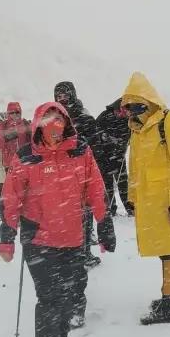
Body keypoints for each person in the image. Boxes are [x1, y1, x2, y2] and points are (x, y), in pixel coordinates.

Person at [0, 102, 115, 337]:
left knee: (66, 297)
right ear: (39, 127)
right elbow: (11, 198)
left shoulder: (80, 151)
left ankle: (59, 336)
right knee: (49, 298)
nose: (55, 135)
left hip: (73, 239)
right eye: (49, 128)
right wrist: (7, 236)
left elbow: (95, 188)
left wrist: (104, 222)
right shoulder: (27, 157)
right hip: (39, 240)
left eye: (59, 128)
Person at [121, 72, 170, 325]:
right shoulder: (137, 129)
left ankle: (169, 306)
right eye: (128, 105)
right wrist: (131, 197)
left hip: (169, 199)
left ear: (149, 100)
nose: (132, 110)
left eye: (136, 103)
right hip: (151, 201)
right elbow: (134, 166)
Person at [54, 82, 101, 269]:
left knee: (85, 214)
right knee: (61, 216)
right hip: (58, 175)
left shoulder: (84, 117)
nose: (61, 98)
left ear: (72, 95)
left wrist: (78, 148)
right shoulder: (52, 117)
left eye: (65, 95)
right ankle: (64, 253)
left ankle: (85, 252)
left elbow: (94, 144)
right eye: (58, 95)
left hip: (81, 175)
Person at [95, 98, 134, 216]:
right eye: (119, 111)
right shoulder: (104, 116)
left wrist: (124, 142)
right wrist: (103, 137)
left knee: (123, 183)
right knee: (107, 183)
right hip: (104, 156)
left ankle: (130, 207)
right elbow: (96, 132)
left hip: (118, 155)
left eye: (124, 112)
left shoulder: (128, 120)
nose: (121, 114)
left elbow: (132, 133)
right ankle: (110, 208)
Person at [0, 102, 31, 171]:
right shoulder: (3, 125)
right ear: (8, 114)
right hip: (10, 163)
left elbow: (33, 141)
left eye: (17, 112)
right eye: (12, 113)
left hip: (25, 161)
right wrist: (7, 137)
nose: (15, 114)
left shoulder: (25, 123)